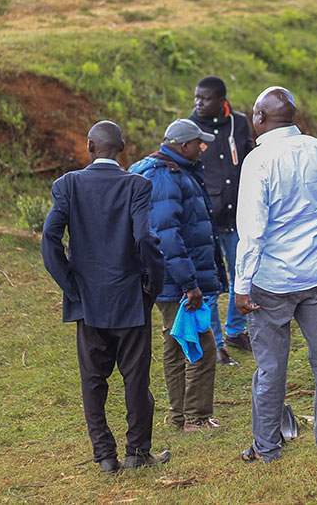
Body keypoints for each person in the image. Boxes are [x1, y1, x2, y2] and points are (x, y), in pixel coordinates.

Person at [41, 121, 170, 475]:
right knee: (136, 379)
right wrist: (152, 283)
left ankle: (105, 457)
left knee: (93, 381)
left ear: (90, 146)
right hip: (130, 297)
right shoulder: (137, 185)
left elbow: (50, 238)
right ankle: (137, 453)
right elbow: (145, 237)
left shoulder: (68, 185)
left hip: (88, 301)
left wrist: (70, 285)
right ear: (123, 148)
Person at [235, 87, 317, 463]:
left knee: (270, 366)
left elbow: (252, 229)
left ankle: (267, 448)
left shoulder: (258, 160)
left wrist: (241, 284)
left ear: (259, 118)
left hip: (272, 281)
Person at [128, 118, 226, 432]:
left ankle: (180, 417)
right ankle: (195, 419)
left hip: (168, 278)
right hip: (175, 280)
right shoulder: (167, 178)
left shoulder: (171, 171)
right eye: (199, 143)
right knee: (200, 342)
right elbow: (167, 237)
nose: (203, 147)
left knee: (175, 342)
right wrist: (189, 283)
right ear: (183, 145)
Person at [187, 76, 255, 366]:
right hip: (207, 217)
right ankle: (214, 344)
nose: (197, 104)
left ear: (221, 100)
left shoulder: (239, 123)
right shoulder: (190, 128)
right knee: (213, 283)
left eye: (204, 99)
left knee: (243, 273)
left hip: (239, 213)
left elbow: (250, 158)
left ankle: (236, 331)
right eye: (196, 98)